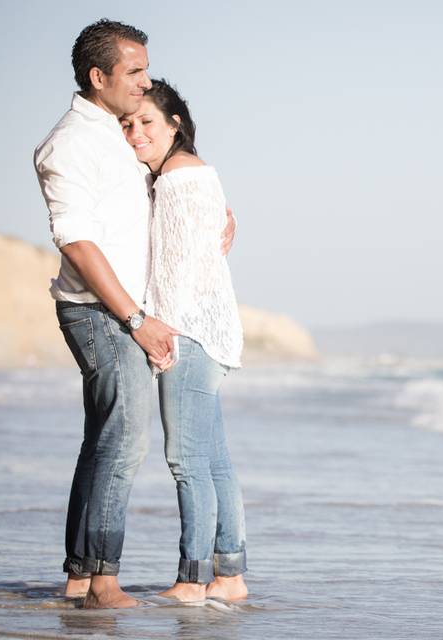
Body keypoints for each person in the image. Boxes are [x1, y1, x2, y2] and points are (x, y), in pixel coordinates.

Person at [33, 19, 235, 609]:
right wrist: (135, 319)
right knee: (123, 446)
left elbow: (172, 177)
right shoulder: (71, 143)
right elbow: (75, 239)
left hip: (122, 311)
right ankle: (103, 583)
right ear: (99, 77)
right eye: (135, 72)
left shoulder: (114, 136)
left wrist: (221, 210)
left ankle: (79, 575)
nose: (146, 83)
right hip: (104, 312)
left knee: (103, 443)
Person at [120, 79, 248, 602]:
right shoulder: (194, 175)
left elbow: (179, 269)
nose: (135, 134)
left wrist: (159, 334)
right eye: (127, 124)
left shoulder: (175, 181)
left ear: (175, 124)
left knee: (186, 461)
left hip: (187, 333)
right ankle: (231, 575)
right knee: (213, 460)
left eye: (146, 122)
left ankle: (191, 581)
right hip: (211, 332)